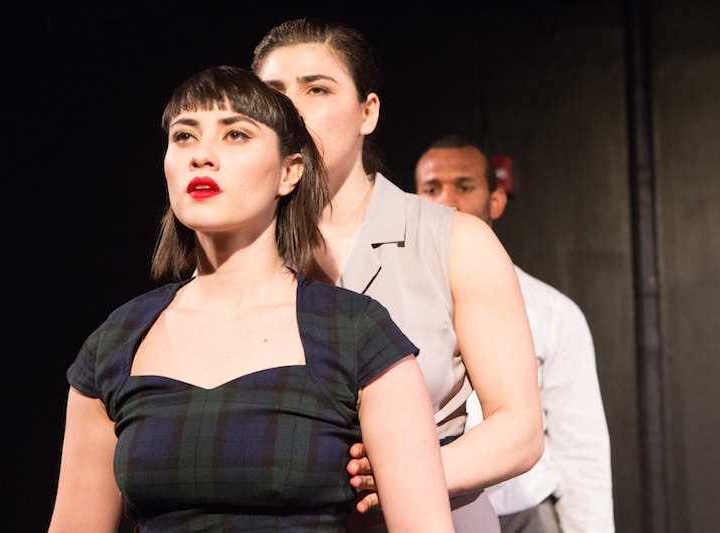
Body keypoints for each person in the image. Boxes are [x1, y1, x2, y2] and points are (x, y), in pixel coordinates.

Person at [48, 65, 456, 532]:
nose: (202, 156)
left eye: (235, 135)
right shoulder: (118, 341)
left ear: (289, 171)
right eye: (184, 136)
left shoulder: (356, 332)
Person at [252, 18, 544, 531]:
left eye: (317, 89)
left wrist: (405, 473)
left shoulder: (452, 239)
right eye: (275, 93)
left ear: (367, 112)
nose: (293, 108)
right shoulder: (245, 250)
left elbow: (519, 429)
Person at [415, 134, 614, 532]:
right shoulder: (388, 304)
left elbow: (580, 447)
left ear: (496, 201)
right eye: (432, 189)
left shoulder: (552, 311)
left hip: (523, 511)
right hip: (428, 507)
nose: (446, 200)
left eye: (464, 186)